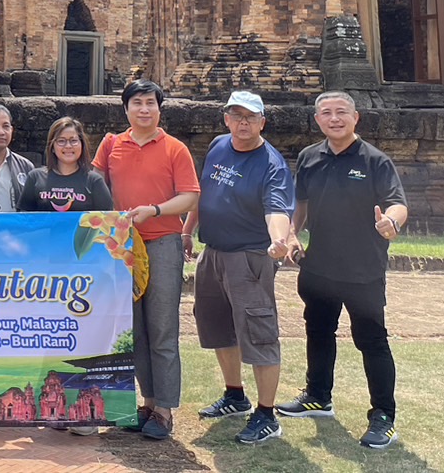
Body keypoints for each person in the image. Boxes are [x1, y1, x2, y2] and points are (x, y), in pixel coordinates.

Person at [277, 90, 408, 450]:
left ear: (355, 118)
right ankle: (318, 396)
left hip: (363, 269)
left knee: (371, 341)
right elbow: (300, 203)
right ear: (317, 120)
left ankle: (383, 417)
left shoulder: (375, 160)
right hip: (319, 265)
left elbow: (397, 203)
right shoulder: (309, 157)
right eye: (326, 113)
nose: (334, 119)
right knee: (319, 331)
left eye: (341, 112)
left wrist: (391, 223)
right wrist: (293, 233)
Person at [92, 79, 201, 442]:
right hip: (122, 246)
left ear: (159, 108)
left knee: (162, 328)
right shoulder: (112, 145)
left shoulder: (174, 148)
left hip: (162, 241)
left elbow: (189, 197)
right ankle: (147, 402)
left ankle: (165, 410)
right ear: (125, 108)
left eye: (150, 103)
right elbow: (94, 186)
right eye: (137, 103)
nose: (144, 109)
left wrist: (154, 210)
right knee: (134, 329)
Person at [184, 90, 294, 445]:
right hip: (213, 251)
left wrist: (278, 240)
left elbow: (277, 208)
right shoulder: (219, 145)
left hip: (249, 257)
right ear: (226, 119)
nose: (243, 123)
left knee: (259, 333)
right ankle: (235, 395)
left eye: (250, 117)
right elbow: (202, 193)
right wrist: (187, 230)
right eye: (236, 116)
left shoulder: (271, 164)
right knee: (217, 326)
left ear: (262, 122)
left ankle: (266, 414)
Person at [19, 115, 115, 436]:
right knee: (53, 338)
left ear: (82, 144)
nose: (68, 146)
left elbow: (107, 227)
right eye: (61, 141)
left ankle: (85, 412)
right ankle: (55, 409)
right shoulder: (36, 179)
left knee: (84, 338)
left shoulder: (93, 182)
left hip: (85, 277)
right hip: (47, 276)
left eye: (74, 140)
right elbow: (24, 224)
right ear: (52, 146)